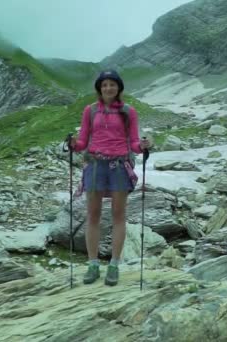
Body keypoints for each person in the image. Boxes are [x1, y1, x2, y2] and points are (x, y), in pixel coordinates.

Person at [69, 70, 152, 286]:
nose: (108, 88)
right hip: (95, 164)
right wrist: (72, 144)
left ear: (119, 88)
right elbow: (82, 141)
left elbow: (133, 142)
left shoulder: (128, 112)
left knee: (118, 215)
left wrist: (142, 147)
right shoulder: (90, 111)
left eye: (112, 84)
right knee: (93, 214)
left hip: (118, 165)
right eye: (104, 85)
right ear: (99, 88)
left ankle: (114, 265)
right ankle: (93, 264)